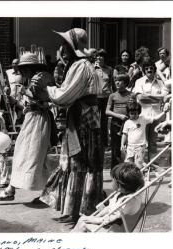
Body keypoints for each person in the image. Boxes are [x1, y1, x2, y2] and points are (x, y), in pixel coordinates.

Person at [39, 28, 104, 225]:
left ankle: (83, 211)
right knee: (74, 164)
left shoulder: (81, 66)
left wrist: (47, 88)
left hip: (85, 120)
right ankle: (73, 210)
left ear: (72, 47)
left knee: (83, 164)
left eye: (65, 45)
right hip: (81, 117)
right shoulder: (76, 65)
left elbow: (63, 96)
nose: (61, 49)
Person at [0, 52, 54, 201]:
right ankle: (11, 189)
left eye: (25, 68)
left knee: (36, 155)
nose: (22, 71)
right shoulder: (29, 82)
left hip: (39, 121)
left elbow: (46, 100)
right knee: (23, 153)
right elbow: (27, 105)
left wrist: (27, 94)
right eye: (22, 68)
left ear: (31, 67)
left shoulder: (38, 79)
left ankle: (46, 193)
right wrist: (14, 100)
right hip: (31, 119)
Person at [71, 162, 144, 233]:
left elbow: (115, 217)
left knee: (83, 224)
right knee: (82, 219)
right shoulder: (122, 194)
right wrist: (95, 217)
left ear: (119, 186)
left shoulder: (128, 202)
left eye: (113, 180)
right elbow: (109, 208)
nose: (111, 182)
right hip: (109, 224)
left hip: (113, 230)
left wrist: (98, 220)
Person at [133, 60, 169, 161]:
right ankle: (141, 165)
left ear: (154, 70)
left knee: (153, 142)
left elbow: (165, 97)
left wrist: (148, 95)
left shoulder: (160, 83)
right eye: (147, 69)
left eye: (151, 68)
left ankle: (153, 164)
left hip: (157, 115)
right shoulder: (139, 82)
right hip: (143, 115)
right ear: (144, 70)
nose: (149, 70)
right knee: (142, 142)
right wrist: (158, 98)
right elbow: (140, 98)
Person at [121, 101, 167, 169]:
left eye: (135, 113)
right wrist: (122, 144)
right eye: (131, 114)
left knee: (139, 165)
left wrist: (164, 112)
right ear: (128, 113)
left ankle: (142, 176)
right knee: (128, 165)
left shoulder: (143, 119)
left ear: (139, 112)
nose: (134, 115)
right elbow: (124, 134)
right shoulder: (127, 123)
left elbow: (155, 118)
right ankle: (131, 178)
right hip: (130, 147)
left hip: (140, 146)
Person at [105, 74, 133, 168]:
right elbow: (107, 111)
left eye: (120, 81)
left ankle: (129, 168)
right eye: (116, 80)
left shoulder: (131, 95)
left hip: (129, 124)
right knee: (115, 148)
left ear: (125, 83)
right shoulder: (112, 95)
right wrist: (119, 116)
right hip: (116, 124)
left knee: (130, 147)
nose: (117, 82)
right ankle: (115, 170)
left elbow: (135, 109)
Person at [94, 48, 115, 148]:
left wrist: (115, 96)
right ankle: (96, 141)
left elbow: (112, 84)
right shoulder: (92, 68)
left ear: (104, 58)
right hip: (95, 97)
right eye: (97, 55)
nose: (99, 57)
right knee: (95, 120)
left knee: (104, 121)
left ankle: (105, 142)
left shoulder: (109, 69)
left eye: (101, 56)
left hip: (106, 97)